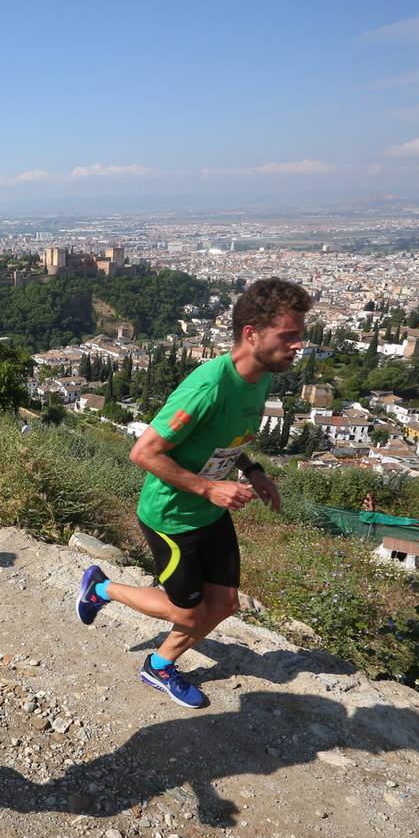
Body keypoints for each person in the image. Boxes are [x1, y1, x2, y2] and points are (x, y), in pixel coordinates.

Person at [75, 277, 310, 710]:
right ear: (251, 333)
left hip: (208, 511)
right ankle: (101, 589)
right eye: (289, 334)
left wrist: (253, 469)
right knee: (187, 614)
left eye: (300, 334)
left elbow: (226, 441)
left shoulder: (259, 378)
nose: (299, 345)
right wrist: (210, 487)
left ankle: (159, 664)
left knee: (224, 603)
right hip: (172, 516)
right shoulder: (208, 387)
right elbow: (143, 452)